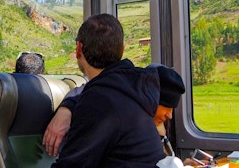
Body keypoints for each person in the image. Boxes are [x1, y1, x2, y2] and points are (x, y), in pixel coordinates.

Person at [0, 14, 167, 168]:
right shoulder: (135, 89)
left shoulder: (100, 101)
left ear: (78, 50)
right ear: (122, 49)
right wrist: (70, 105)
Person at [43, 63, 186, 158]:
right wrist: (66, 108)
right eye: (166, 107)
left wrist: (180, 167)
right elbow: (91, 90)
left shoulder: (155, 126)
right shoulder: (123, 121)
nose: (170, 115)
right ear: (151, 101)